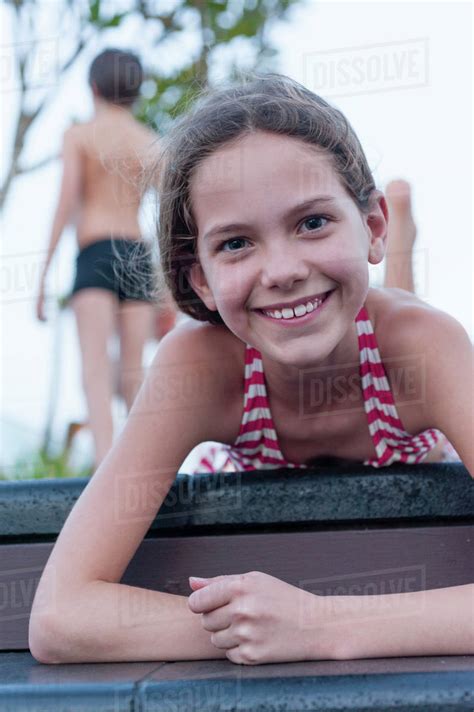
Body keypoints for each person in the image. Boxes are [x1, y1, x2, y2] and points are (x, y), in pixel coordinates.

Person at [29, 73, 473, 666]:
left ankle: (404, 262)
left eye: (312, 222)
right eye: (237, 243)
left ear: (372, 226)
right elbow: (61, 616)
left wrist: (316, 624)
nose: (283, 269)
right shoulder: (198, 365)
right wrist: (265, 625)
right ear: (201, 280)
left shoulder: (425, 347)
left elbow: (303, 624)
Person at [35, 48, 162, 471]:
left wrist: (42, 276)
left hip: (94, 252)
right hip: (137, 253)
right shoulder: (150, 143)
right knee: (133, 371)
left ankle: (107, 467)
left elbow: (63, 201)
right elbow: (171, 217)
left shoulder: (79, 135)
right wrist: (173, 292)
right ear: (136, 91)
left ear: (93, 87)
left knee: (93, 368)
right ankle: (141, 464)